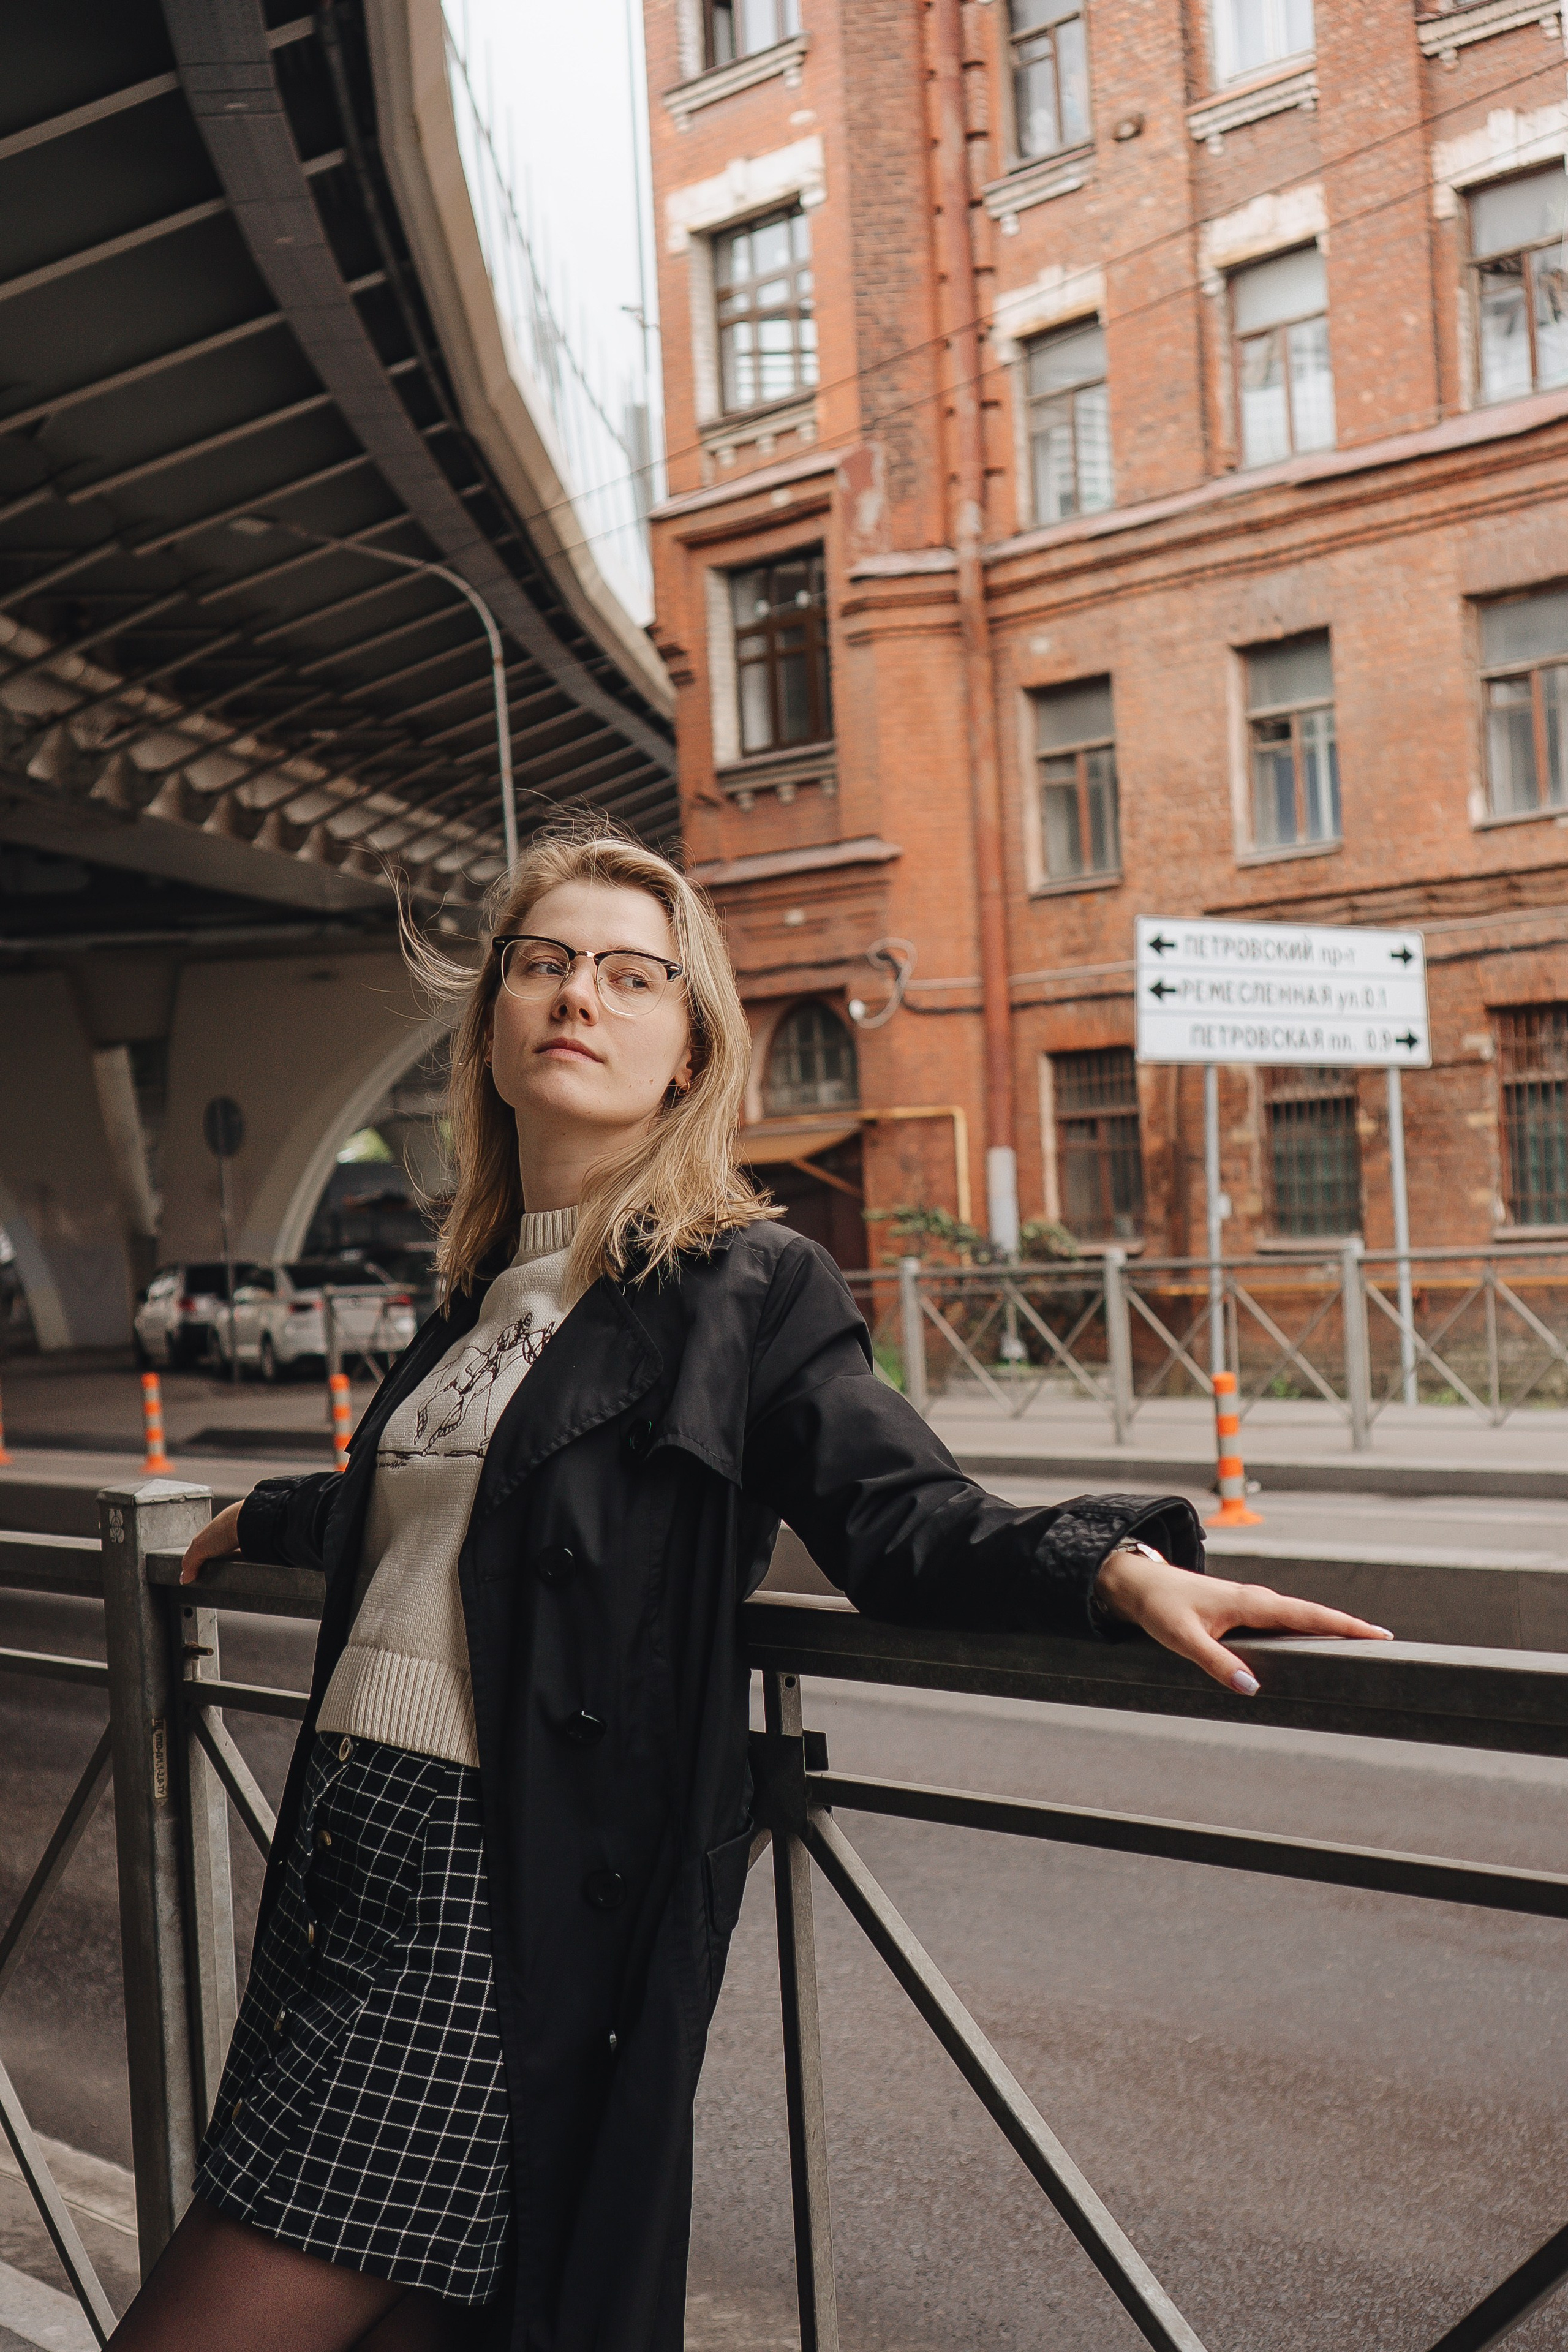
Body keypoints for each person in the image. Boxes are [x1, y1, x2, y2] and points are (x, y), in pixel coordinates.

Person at [110, 826, 1390, 2352]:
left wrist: (1110, 1567)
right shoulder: (473, 1293)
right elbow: (459, 1513)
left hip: (489, 1887)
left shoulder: (743, 1285)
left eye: (629, 974)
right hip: (341, 1848)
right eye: (545, 965)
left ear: (686, 1046)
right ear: (496, 1032)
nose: (579, 994)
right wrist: (262, 1512)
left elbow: (898, 1512)